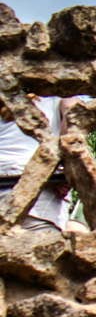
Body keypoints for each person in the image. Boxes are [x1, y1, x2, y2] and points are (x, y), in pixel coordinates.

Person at [0, 98, 70, 232]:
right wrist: (67, 170)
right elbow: (72, 115)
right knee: (44, 241)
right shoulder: (59, 95)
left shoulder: (6, 93)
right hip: (38, 189)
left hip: (4, 179)